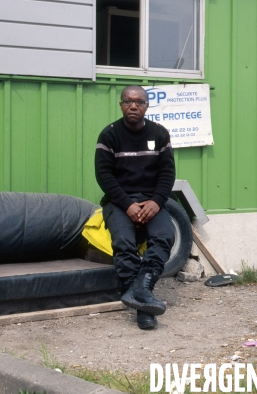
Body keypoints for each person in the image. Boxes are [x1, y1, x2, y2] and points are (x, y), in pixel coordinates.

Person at [95, 85, 176, 330]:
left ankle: (140, 290)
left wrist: (156, 201)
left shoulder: (159, 134)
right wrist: (128, 205)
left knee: (164, 236)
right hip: (120, 202)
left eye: (139, 102)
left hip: (152, 201)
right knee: (124, 242)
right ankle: (143, 306)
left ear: (147, 106)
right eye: (128, 102)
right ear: (121, 105)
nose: (133, 106)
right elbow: (104, 176)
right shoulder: (109, 135)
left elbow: (167, 173)